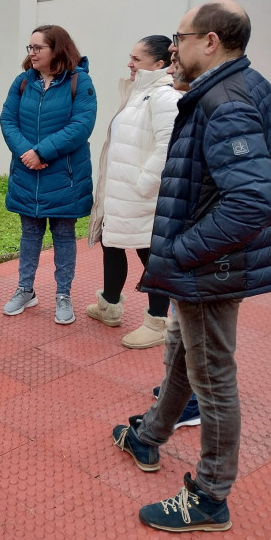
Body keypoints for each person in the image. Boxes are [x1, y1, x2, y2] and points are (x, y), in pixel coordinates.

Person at [111, 0, 271, 533]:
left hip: (210, 265)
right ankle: (149, 435)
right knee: (180, 352)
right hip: (212, 260)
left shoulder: (226, 101)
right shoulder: (250, 85)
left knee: (212, 376)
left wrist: (192, 248)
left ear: (210, 41)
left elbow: (256, 200)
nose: (174, 47)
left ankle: (210, 497)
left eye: (181, 36)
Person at [86, 36, 180, 348]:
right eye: (131, 57)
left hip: (141, 196)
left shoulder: (163, 97)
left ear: (159, 65)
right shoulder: (138, 93)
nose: (130, 63)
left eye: (136, 59)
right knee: (112, 245)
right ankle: (110, 306)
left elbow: (168, 149)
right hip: (121, 192)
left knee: (150, 255)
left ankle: (157, 322)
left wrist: (143, 185)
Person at [0, 25, 97, 324]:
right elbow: (7, 119)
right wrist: (27, 153)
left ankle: (63, 295)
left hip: (64, 175)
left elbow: (81, 125)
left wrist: (42, 152)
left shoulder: (80, 81)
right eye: (29, 47)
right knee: (29, 234)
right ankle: (25, 290)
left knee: (64, 235)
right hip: (28, 173)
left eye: (38, 47)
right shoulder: (23, 82)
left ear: (57, 49)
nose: (31, 53)